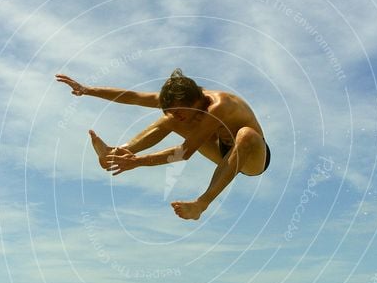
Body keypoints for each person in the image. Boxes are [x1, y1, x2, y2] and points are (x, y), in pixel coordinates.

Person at [55, 69, 270, 220]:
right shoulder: (180, 101)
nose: (176, 115)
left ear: (194, 100)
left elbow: (184, 153)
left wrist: (138, 163)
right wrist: (86, 89)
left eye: (178, 111)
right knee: (169, 121)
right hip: (222, 152)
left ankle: (201, 204)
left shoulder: (220, 107)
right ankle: (117, 153)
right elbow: (134, 97)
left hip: (253, 158)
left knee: (246, 135)